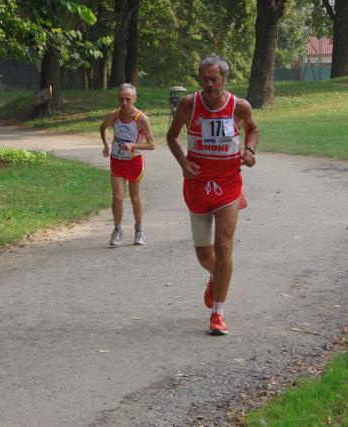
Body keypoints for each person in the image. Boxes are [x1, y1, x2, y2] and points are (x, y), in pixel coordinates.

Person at [166, 54, 259, 335]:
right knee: (205, 255)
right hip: (198, 185)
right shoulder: (188, 104)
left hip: (228, 183)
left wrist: (250, 151)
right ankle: (215, 276)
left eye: (214, 79)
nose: (208, 84)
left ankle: (218, 313)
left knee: (223, 245)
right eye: (204, 79)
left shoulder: (239, 107)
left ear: (225, 79)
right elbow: (171, 136)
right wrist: (184, 163)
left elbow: (253, 129)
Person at [100, 83, 155, 247]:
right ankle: (117, 230)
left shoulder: (141, 119)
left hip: (135, 162)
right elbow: (103, 127)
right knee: (117, 197)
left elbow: (152, 144)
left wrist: (134, 145)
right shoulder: (113, 116)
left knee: (135, 198)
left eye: (128, 99)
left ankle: (139, 230)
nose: (124, 103)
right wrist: (106, 144)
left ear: (134, 99)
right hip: (117, 161)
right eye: (121, 99)